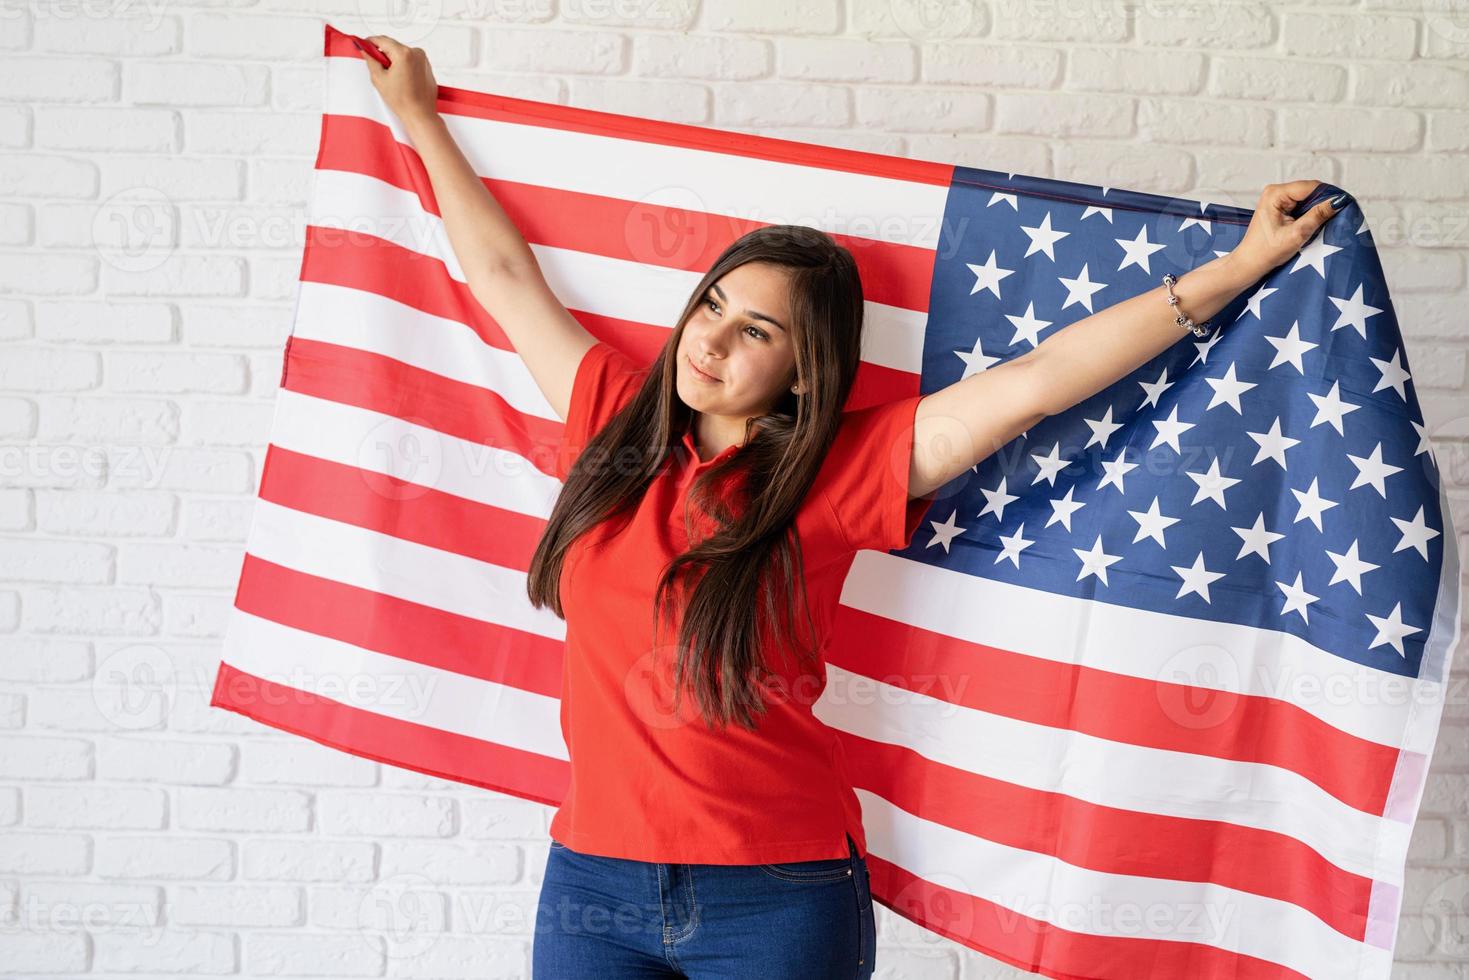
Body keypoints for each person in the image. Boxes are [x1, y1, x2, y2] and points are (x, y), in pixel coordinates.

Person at [356, 35, 1345, 979]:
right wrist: (417, 116)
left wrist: (1239, 267)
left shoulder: (839, 467)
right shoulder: (613, 418)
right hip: (591, 882)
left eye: (754, 331)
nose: (711, 341)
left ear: (799, 368)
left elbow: (1040, 380)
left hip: (775, 896)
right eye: (710, 306)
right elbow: (500, 275)